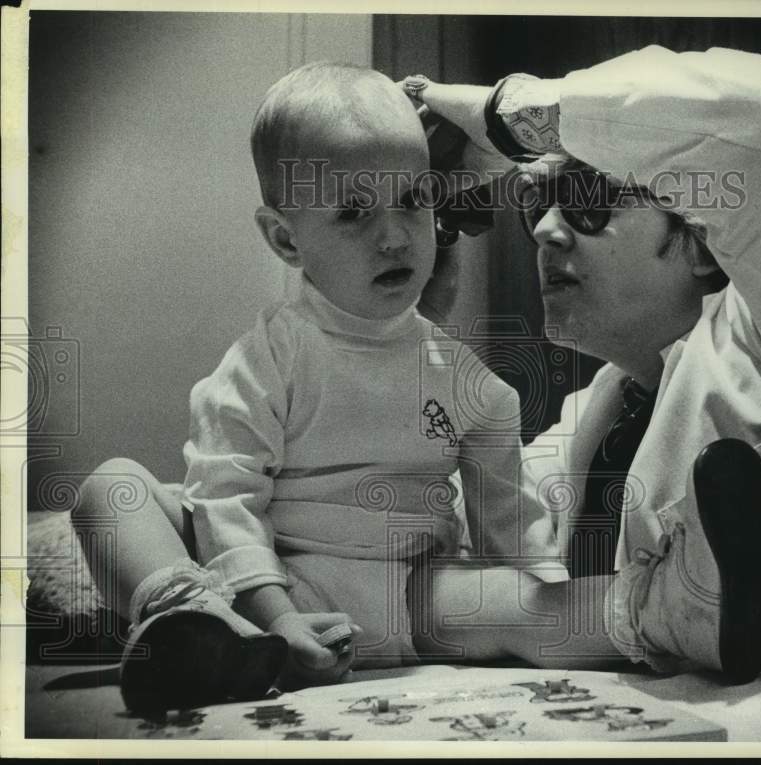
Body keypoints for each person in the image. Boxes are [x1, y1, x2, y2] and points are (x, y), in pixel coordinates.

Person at [402, 45, 761, 678]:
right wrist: (408, 321)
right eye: (538, 204)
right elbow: (408, 550)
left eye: (588, 196)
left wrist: (506, 121)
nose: (545, 230)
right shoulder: (595, 418)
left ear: (703, 244)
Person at [72, 61, 552, 712]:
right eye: (353, 212)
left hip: (407, 595)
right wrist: (275, 615)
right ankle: (190, 619)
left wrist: (537, 593)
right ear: (284, 238)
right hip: (267, 588)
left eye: (411, 201)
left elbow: (514, 530)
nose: (392, 235)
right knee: (109, 488)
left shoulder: (471, 383)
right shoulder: (267, 359)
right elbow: (225, 493)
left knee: (519, 596)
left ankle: (646, 615)